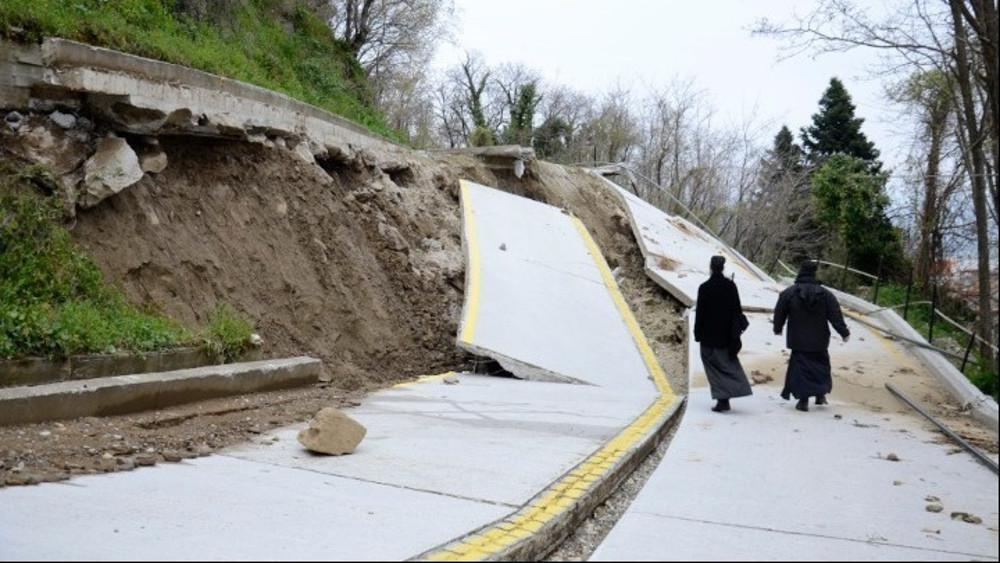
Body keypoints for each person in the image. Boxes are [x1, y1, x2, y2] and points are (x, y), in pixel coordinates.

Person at [773, 259, 850, 412]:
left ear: (801, 271)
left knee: (801, 369)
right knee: (820, 366)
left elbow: (779, 312)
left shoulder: (789, 292)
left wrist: (778, 327)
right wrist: (843, 332)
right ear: (814, 273)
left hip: (798, 339)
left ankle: (803, 400)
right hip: (819, 339)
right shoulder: (826, 295)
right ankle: (820, 395)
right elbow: (835, 315)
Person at [694, 255, 752, 412]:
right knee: (727, 365)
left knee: (713, 368)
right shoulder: (730, 286)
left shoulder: (704, 287)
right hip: (726, 336)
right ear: (723, 267)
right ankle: (730, 393)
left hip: (708, 335)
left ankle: (722, 400)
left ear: (711, 267)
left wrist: (697, 333)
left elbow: (700, 313)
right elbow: (737, 310)